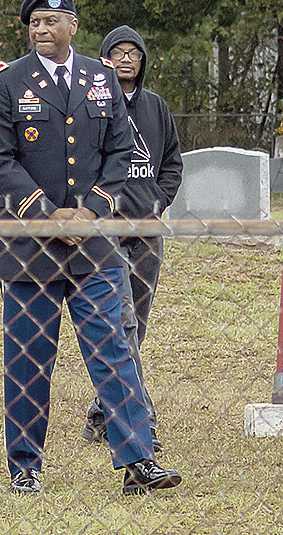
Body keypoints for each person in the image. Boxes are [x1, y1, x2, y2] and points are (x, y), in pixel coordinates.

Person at [0, 0, 180, 496]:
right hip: (30, 247)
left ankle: (139, 460)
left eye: (50, 21)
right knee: (28, 359)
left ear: (72, 25)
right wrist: (48, 214)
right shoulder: (7, 81)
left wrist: (90, 210)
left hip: (95, 246)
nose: (40, 30)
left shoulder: (101, 78)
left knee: (113, 350)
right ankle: (25, 466)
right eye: (34, 23)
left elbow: (120, 151)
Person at [80, 26, 183, 449]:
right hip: (108, 232)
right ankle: (143, 423)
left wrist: (158, 200)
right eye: (117, 53)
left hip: (147, 232)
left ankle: (101, 412)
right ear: (105, 58)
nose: (126, 60)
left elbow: (173, 161)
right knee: (119, 322)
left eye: (133, 54)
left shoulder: (156, 107)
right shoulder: (91, 105)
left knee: (133, 328)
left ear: (142, 61)